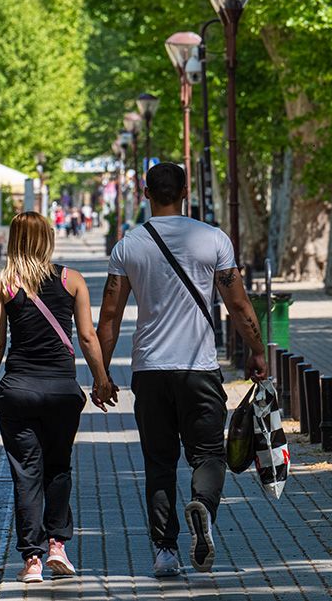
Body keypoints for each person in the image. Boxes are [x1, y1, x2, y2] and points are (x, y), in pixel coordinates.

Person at [95, 162, 268, 578]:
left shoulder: (128, 247)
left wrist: (101, 375)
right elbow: (240, 305)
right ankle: (203, 510)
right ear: (186, 191)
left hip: (150, 370)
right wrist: (257, 352)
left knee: (158, 462)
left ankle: (165, 551)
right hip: (199, 368)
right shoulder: (212, 239)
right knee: (208, 454)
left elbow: (110, 317)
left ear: (145, 192)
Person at [0, 211, 110, 585]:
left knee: (25, 474)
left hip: (17, 392)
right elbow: (87, 338)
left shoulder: (4, 285)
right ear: (48, 238)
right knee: (59, 467)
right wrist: (102, 381)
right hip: (63, 391)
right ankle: (57, 546)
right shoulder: (72, 279)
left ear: (13, 239)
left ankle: (31, 560)